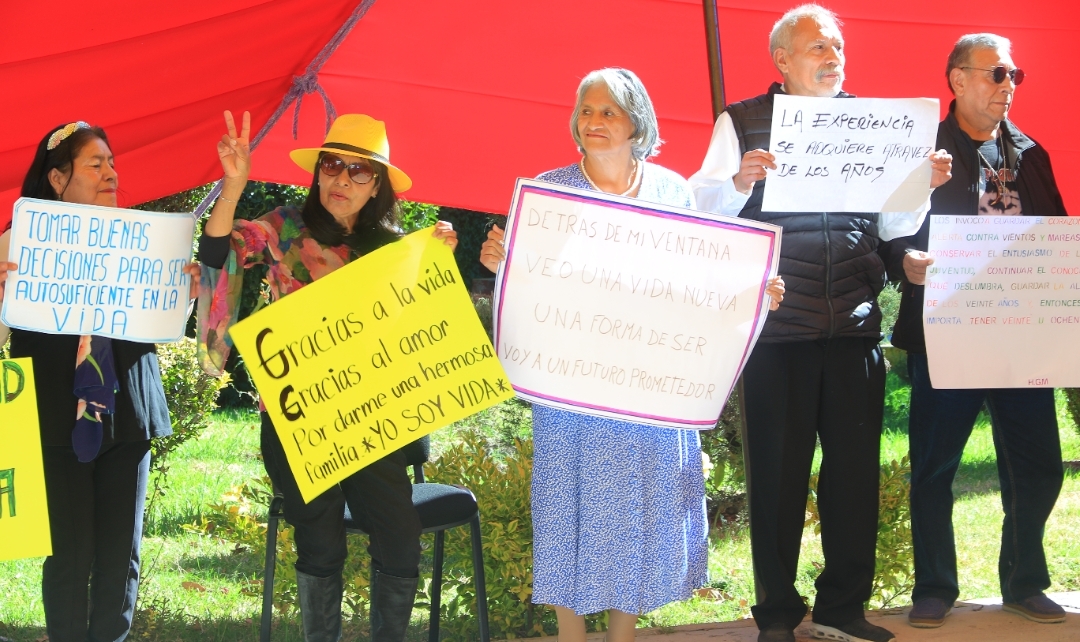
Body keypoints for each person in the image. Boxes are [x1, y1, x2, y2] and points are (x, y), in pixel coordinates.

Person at [480, 68, 785, 642]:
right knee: (565, 511)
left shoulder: (673, 191)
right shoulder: (551, 191)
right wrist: (504, 265)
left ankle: (622, 635)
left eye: (608, 112)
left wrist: (752, 294)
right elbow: (531, 289)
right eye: (587, 111)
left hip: (650, 386)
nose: (594, 122)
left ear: (636, 123)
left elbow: (700, 281)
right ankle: (572, 636)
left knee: (641, 512)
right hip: (572, 389)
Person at [688, 5, 953, 642]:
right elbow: (702, 206)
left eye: (838, 46)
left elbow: (889, 226)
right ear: (781, 60)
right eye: (817, 47)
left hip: (855, 329)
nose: (832, 56)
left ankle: (841, 610)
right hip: (777, 333)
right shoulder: (743, 121)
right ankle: (778, 615)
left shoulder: (873, 124)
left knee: (854, 480)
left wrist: (921, 187)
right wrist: (739, 178)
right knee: (777, 480)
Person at [196, 111, 457, 642]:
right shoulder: (285, 226)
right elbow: (219, 250)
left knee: (400, 536)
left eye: (359, 171)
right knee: (319, 541)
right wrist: (232, 188)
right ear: (317, 173)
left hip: (370, 417)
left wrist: (437, 267)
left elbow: (420, 339)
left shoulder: (394, 249)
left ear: (377, 185)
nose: (341, 179)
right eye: (332, 165)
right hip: (296, 421)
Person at [880, 33, 1068, 629]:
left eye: (1015, 75)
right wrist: (902, 263)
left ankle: (1025, 581)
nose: (1008, 85)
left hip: (1021, 333)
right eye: (996, 74)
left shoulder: (1031, 153)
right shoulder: (921, 152)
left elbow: (1058, 233)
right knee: (935, 468)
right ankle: (934, 588)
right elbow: (886, 231)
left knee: (1040, 465)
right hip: (946, 330)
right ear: (957, 80)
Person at [0, 122, 193, 642]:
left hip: (128, 411)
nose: (111, 172)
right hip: (55, 417)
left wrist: (184, 292)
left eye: (111, 162)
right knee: (69, 553)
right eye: (95, 163)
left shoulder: (143, 240)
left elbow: (164, 323)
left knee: (119, 557)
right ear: (58, 177)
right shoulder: (18, 241)